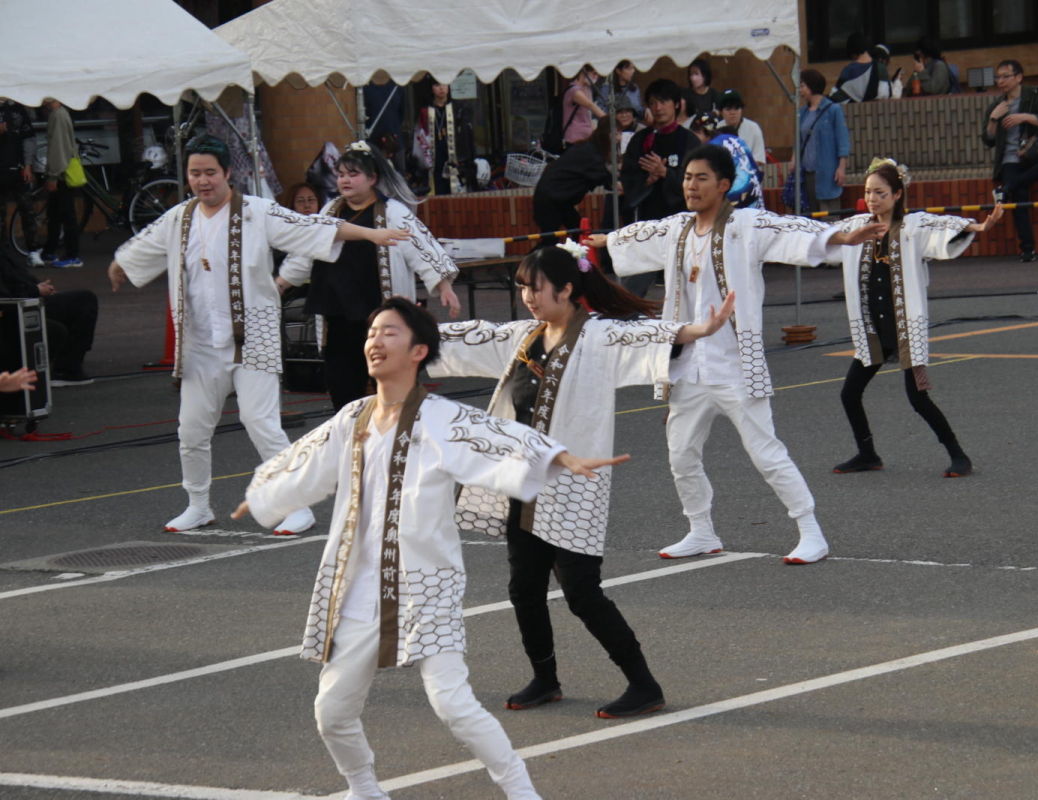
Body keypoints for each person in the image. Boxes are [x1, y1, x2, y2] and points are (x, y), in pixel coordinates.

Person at [234, 296, 625, 800]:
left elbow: (504, 439)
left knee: (453, 705)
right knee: (331, 711)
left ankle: (522, 792)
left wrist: (561, 457)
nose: (375, 340)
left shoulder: (442, 419)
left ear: (419, 351)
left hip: (426, 584)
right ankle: (364, 789)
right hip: (356, 589)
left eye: (389, 332)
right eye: (372, 332)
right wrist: (264, 492)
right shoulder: (352, 417)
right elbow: (302, 462)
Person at [432, 243, 734, 717]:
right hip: (522, 482)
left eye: (536, 287)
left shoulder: (599, 336)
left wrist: (701, 328)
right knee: (524, 589)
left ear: (568, 289)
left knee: (581, 593)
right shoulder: (524, 337)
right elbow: (472, 337)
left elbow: (650, 336)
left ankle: (644, 684)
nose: (528, 296)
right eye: (523, 288)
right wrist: (404, 334)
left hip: (575, 484)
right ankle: (545, 677)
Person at [589, 144, 887, 563]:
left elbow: (795, 232)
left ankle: (810, 531)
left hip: (735, 364)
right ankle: (701, 530)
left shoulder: (747, 225)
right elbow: (639, 235)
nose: (691, 185)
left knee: (765, 452)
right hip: (688, 366)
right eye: (688, 177)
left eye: (701, 178)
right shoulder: (677, 229)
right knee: (681, 455)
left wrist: (842, 235)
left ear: (724, 185)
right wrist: (606, 240)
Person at [107, 134, 416, 535]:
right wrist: (119, 266)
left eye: (210, 173)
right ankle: (198, 504)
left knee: (261, 422)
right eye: (195, 173)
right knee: (192, 429)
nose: (203, 181)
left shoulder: (256, 212)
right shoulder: (179, 218)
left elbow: (315, 227)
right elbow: (141, 248)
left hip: (253, 338)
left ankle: (297, 505)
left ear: (228, 173)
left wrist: (370, 234)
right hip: (200, 343)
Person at [826, 159, 1003, 478]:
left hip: (904, 329)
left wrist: (979, 226)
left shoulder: (912, 226)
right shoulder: (857, 227)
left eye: (880, 192)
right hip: (873, 331)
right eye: (868, 192)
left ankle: (959, 455)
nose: (873, 198)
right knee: (849, 394)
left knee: (918, 399)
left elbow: (943, 226)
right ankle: (867, 453)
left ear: (897, 194)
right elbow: (821, 236)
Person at [283, 141, 461, 411]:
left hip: (378, 314)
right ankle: (352, 439)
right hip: (336, 314)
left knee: (386, 385)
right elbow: (307, 251)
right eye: (342, 174)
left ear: (372, 178)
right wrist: (282, 282)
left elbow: (423, 248)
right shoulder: (330, 211)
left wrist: (444, 286)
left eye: (353, 174)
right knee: (344, 389)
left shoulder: (393, 212)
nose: (345, 180)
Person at [618, 79, 701, 297]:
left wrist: (665, 173)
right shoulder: (640, 140)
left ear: (676, 104)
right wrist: (647, 180)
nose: (658, 108)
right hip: (648, 219)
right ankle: (627, 321)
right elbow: (628, 177)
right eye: (653, 103)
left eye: (663, 102)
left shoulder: (689, 140)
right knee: (636, 282)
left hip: (682, 220)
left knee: (686, 283)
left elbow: (697, 181)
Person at [982, 59, 1038, 262]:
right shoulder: (996, 105)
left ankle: (1005, 189)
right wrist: (993, 119)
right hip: (1009, 160)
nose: (1000, 81)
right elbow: (988, 140)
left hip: (1032, 154)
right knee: (1019, 195)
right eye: (998, 77)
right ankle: (1028, 248)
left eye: (1005, 76)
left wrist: (1025, 117)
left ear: (1018, 77)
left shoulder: (1035, 95)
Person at [0, 244, 98, 385]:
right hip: (14, 310)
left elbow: (17, 274)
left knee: (84, 300)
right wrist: (35, 290)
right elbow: (6, 294)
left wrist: (38, 285)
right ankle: (62, 370)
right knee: (58, 328)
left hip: (26, 300)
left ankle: (67, 368)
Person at [532, 124, 614, 239]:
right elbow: (606, 179)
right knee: (550, 239)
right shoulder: (591, 153)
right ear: (604, 135)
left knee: (579, 231)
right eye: (615, 134)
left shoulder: (589, 148)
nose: (618, 137)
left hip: (558, 199)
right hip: (550, 198)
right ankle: (534, 257)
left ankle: (577, 255)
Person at [797, 69, 850, 216]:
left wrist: (841, 167)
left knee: (830, 216)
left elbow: (842, 139)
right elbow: (798, 140)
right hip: (807, 173)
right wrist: (794, 159)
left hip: (828, 172)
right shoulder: (802, 113)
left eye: (802, 86)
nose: (800, 90)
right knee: (811, 218)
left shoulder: (833, 110)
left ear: (811, 85)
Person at [689, 111, 763, 209]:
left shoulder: (710, 149)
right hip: (755, 196)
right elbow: (756, 169)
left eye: (693, 134)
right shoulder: (736, 140)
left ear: (701, 130)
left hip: (734, 200)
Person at [415, 80, 477, 195]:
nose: (441, 88)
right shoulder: (425, 112)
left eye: (444, 84)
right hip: (435, 161)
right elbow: (419, 138)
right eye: (437, 85)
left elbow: (467, 138)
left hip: (456, 161)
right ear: (432, 88)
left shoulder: (458, 109)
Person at [41, 99, 82, 269]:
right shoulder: (61, 114)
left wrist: (53, 176)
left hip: (62, 174)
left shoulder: (57, 116)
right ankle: (50, 250)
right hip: (64, 171)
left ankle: (73, 255)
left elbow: (58, 149)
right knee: (56, 212)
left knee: (65, 214)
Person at [0, 98, 39, 263]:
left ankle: (33, 250)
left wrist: (28, 164)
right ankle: (5, 255)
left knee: (27, 210)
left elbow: (28, 137)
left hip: (18, 168)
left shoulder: (17, 107)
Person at [832, 33, 889, 103]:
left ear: (852, 54)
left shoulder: (849, 70)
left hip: (854, 111)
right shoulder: (881, 67)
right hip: (879, 110)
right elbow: (884, 94)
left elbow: (837, 97)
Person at [714, 89, 765, 167]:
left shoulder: (753, 128)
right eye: (728, 109)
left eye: (736, 108)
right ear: (721, 112)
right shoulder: (716, 129)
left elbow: (758, 159)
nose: (733, 113)